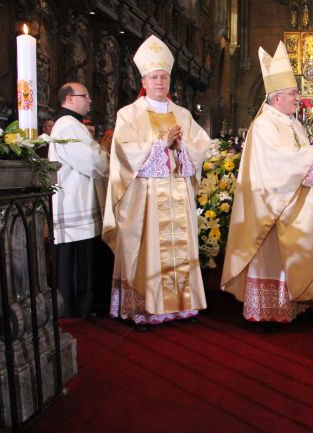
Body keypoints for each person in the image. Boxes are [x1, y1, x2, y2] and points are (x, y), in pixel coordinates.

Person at [221, 41, 313, 330]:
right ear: (276, 98)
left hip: (296, 207)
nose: (298, 98)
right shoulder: (264, 125)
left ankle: (295, 304)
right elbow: (277, 166)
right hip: (273, 211)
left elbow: (301, 161)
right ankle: (268, 311)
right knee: (273, 258)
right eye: (292, 93)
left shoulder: (293, 124)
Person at [102, 35, 212, 331]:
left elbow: (202, 146)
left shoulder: (183, 114)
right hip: (147, 199)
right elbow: (125, 153)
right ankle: (145, 308)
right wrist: (160, 144)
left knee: (180, 249)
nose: (160, 82)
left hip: (178, 195)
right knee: (149, 249)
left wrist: (180, 147)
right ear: (144, 80)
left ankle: (182, 305)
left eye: (164, 76)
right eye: (154, 77)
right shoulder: (129, 114)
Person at [49, 82, 109, 317]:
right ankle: (78, 308)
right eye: (85, 96)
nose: (90, 100)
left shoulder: (71, 125)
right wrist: (105, 151)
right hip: (75, 203)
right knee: (78, 259)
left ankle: (78, 306)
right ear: (70, 99)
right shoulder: (69, 126)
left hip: (76, 201)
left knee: (76, 257)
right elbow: (93, 161)